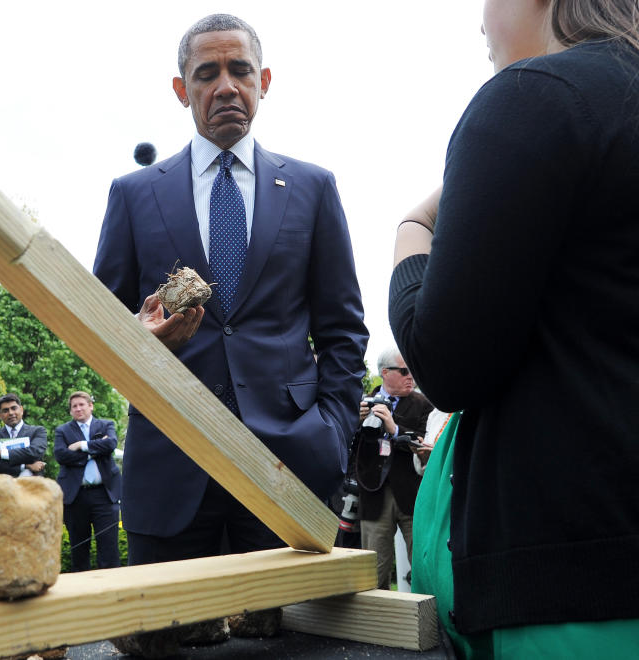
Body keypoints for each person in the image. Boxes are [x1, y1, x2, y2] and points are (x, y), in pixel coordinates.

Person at [390, 0, 639, 654]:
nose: (479, 18)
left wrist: (413, 228)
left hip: (579, 593)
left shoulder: (538, 97)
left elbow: (445, 361)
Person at [93, 13, 368, 566]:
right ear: (181, 89)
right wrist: (142, 341)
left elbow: (342, 328)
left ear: (264, 82)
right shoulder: (134, 194)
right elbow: (101, 325)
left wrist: (334, 429)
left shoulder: (313, 188)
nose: (225, 87)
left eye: (240, 70)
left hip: (288, 465)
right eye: (206, 73)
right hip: (169, 458)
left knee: (290, 647)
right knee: (162, 640)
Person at [353, 349, 432, 590]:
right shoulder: (363, 403)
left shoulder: (423, 405)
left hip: (412, 495)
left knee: (422, 566)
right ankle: (378, 625)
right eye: (405, 371)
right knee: (374, 573)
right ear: (385, 373)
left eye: (413, 371)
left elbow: (426, 442)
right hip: (374, 495)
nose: (411, 377)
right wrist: (354, 422)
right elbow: (346, 447)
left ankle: (429, 624)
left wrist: (394, 428)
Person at [54, 391, 121, 571]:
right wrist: (94, 451)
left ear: (90, 406)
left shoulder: (106, 424)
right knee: (79, 549)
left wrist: (81, 446)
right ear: (70, 411)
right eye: (74, 406)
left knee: (109, 548)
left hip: (105, 495)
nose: (78, 409)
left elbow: (111, 444)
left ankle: (113, 590)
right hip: (76, 497)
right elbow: (61, 455)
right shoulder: (63, 430)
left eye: (81, 404)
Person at [0, 394, 47, 478]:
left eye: (14, 408)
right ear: (0, 415)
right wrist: (26, 466)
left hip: (32, 486)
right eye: (5, 410)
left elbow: (34, 453)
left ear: (21, 409)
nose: (11, 413)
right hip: (3, 486)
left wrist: (0, 452)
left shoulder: (38, 431)